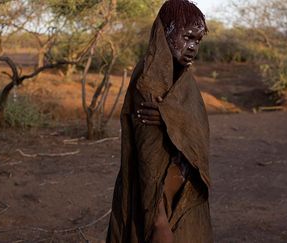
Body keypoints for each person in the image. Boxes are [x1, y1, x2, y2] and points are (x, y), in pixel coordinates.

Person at [106, 1, 212, 242]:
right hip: (154, 199)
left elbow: (198, 128)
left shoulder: (184, 79)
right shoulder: (149, 79)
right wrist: (158, 220)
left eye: (197, 41)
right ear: (165, 32)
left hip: (182, 190)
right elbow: (148, 156)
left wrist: (168, 116)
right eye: (187, 37)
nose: (192, 47)